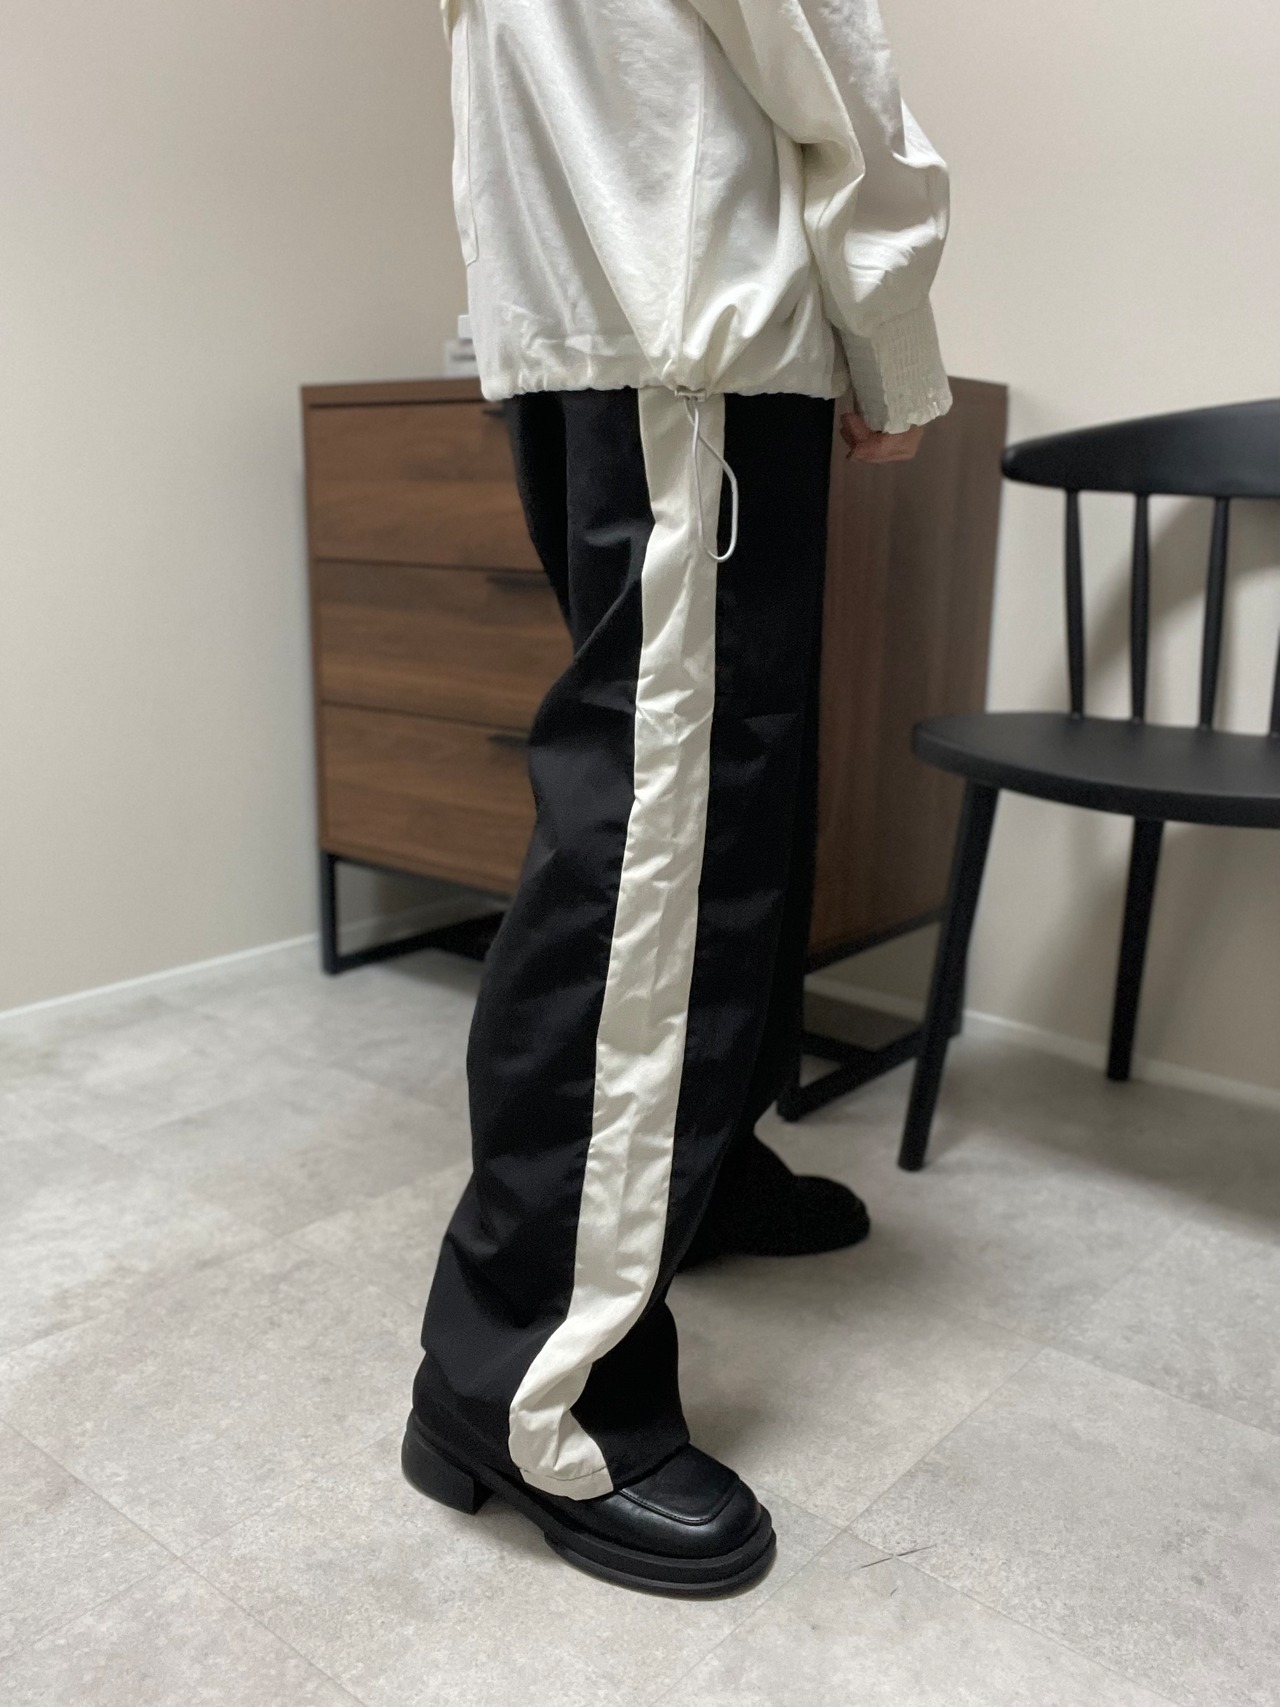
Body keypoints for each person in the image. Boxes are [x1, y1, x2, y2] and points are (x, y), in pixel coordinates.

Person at [405, 0, 953, 1596]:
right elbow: (822, 51)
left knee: (719, 809)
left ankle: (688, 1186)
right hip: (681, 320)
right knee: (657, 841)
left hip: (626, 312)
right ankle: (530, 1381)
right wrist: (891, 325)